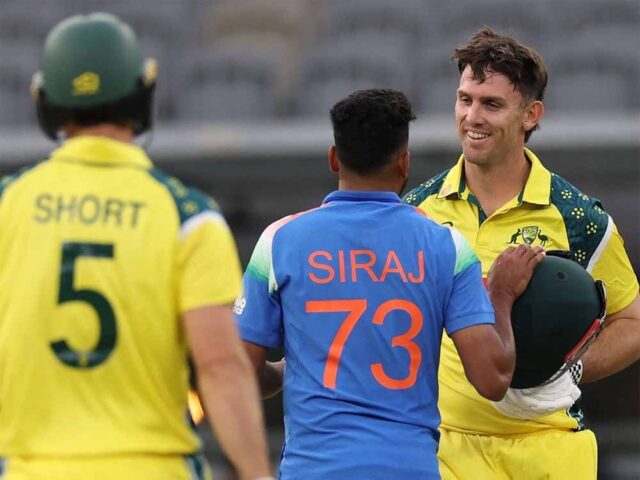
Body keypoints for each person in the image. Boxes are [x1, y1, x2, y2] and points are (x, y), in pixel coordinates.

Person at [0, 13, 273, 480]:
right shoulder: (188, 215)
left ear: (45, 103)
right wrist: (257, 473)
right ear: (143, 95)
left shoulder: (8, 205)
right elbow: (221, 369)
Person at [234, 88, 545, 479]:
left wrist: (286, 373)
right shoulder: (446, 246)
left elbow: (238, 373)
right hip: (407, 468)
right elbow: (492, 379)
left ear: (334, 158)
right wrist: (501, 292)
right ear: (404, 163)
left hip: (314, 469)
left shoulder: (279, 241)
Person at [403, 27, 640, 479]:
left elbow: (633, 322)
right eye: (465, 99)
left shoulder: (577, 217)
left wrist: (568, 371)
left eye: (491, 104)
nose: (472, 117)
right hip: (445, 450)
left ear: (531, 114)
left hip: (550, 449)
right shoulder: (416, 212)